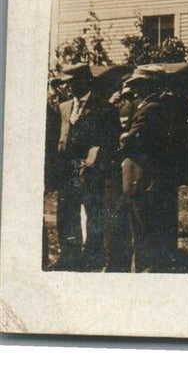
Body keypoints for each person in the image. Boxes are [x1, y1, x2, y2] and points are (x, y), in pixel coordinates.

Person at [116, 65, 184, 273]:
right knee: (145, 226)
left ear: (151, 86)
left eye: (141, 85)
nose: (136, 89)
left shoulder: (152, 108)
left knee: (144, 227)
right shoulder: (151, 105)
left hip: (144, 175)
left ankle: (148, 270)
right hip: (145, 175)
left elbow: (130, 138)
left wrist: (124, 139)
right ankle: (148, 268)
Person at [53, 65, 122, 270]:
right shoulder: (64, 107)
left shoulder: (104, 107)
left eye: (73, 81)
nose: (69, 85)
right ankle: (69, 256)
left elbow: (112, 138)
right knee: (66, 212)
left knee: (94, 212)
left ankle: (92, 255)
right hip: (67, 170)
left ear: (85, 80)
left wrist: (97, 152)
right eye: (67, 82)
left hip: (92, 170)